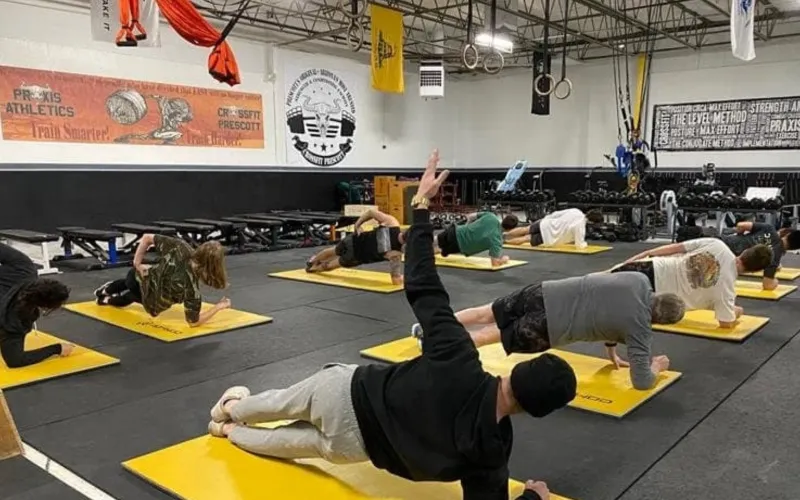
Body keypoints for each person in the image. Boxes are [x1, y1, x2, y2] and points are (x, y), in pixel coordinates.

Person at [207, 149, 576, 500]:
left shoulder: (458, 357)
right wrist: (533, 496)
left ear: (518, 370)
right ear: (536, 411)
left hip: (344, 393)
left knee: (280, 403)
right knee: (290, 444)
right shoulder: (491, 451)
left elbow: (424, 286)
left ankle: (231, 408)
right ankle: (228, 430)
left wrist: (422, 205)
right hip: (355, 446)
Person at [412, 272, 684, 390]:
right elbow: (642, 382)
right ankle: (434, 346)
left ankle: (429, 327)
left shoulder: (639, 280)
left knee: (485, 313)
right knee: (486, 336)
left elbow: (608, 302)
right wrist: (657, 366)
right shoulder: (640, 331)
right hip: (548, 328)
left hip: (544, 292)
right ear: (661, 322)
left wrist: (612, 350)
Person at [609, 238, 772, 329]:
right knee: (602, 304)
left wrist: (645, 254)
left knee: (597, 284)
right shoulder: (727, 291)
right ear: (754, 272)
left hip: (651, 267)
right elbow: (726, 323)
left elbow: (675, 248)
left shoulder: (717, 244)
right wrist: (737, 311)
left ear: (745, 251)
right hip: (652, 295)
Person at [94, 235, 230, 327]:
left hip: (140, 278)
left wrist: (137, 263)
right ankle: (105, 299)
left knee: (128, 282)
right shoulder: (192, 290)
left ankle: (104, 291)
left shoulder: (181, 247)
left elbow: (146, 238)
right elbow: (193, 322)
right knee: (130, 296)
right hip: (148, 300)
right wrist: (218, 307)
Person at [0, 243, 72, 368]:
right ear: (45, 306)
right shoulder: (20, 319)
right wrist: (57, 348)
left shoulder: (24, 268)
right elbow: (15, 360)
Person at [306, 208, 406, 285]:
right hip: (354, 257)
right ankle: (313, 269)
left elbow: (371, 212)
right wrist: (405, 278)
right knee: (328, 266)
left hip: (353, 240)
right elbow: (396, 280)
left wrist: (358, 224)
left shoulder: (392, 223)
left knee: (333, 250)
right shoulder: (395, 255)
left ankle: (312, 261)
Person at [719, 222, 800, 290]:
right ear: (793, 248)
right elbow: (768, 285)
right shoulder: (773, 258)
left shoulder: (769, 228)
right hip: (723, 260)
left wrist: (739, 235)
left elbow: (741, 225)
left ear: (787, 234)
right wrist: (776, 281)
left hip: (720, 241)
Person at [435, 210, 518, 267]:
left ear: (503, 219)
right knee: (439, 250)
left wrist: (467, 226)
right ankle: (437, 249)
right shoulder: (498, 241)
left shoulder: (491, 216)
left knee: (435, 240)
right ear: (511, 229)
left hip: (457, 231)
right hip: (459, 246)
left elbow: (470, 216)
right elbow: (495, 264)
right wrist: (504, 259)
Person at [504, 208, 604, 248]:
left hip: (546, 223)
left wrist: (547, 218)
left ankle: (503, 234)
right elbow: (579, 245)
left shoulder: (575, 211)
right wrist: (585, 244)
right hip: (549, 236)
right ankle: (504, 242)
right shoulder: (580, 227)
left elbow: (556, 213)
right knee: (527, 238)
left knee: (526, 229)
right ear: (592, 222)